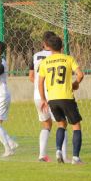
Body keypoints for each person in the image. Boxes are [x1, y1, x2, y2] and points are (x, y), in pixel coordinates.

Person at [38, 36, 84, 164]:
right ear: (61, 46)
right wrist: (76, 83)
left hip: (52, 99)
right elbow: (80, 74)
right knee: (76, 126)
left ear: (48, 47)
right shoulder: (68, 59)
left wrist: (43, 99)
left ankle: (58, 150)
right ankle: (75, 158)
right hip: (67, 97)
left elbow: (40, 82)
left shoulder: (45, 62)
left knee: (61, 124)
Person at [29, 31, 68, 162]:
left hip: (37, 95)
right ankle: (64, 155)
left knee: (46, 125)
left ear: (43, 43)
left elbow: (31, 77)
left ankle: (42, 155)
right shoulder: (58, 56)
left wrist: (38, 85)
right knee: (61, 124)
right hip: (54, 94)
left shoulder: (35, 56)